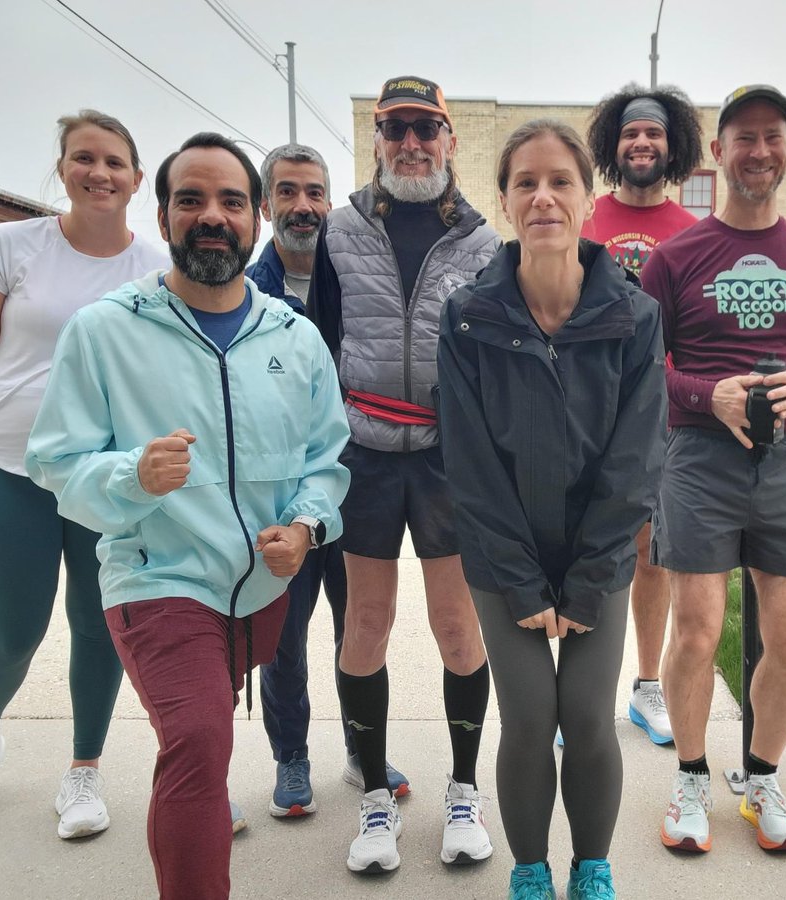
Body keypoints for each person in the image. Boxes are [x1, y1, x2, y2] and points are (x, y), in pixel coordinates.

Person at [25, 132, 350, 900]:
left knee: (204, 740)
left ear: (258, 216)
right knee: (200, 743)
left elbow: (326, 459)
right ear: (162, 213)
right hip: (155, 578)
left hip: (258, 596)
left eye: (231, 201)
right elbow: (55, 461)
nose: (212, 216)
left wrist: (304, 528)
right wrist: (131, 474)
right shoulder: (106, 330)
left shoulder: (295, 338)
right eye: (191, 200)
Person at [439, 118, 667, 900]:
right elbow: (469, 466)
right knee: (532, 715)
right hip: (505, 561)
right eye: (525, 183)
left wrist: (587, 578)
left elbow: (636, 464)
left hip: (597, 557)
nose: (543, 197)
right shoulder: (468, 317)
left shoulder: (633, 317)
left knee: (590, 716)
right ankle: (532, 871)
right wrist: (525, 583)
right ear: (503, 200)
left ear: (588, 196)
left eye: (559, 181)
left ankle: (591, 868)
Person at [0, 110, 167, 838]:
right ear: (63, 167)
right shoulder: (10, 247)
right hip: (8, 471)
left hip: (103, 480)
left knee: (100, 629)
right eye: (83, 158)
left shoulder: (155, 270)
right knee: (11, 634)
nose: (98, 173)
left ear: (136, 178)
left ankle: (84, 773)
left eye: (113, 162)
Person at [641, 84, 786, 854]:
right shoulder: (675, 257)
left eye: (772, 137)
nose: (758, 152)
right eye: (743, 138)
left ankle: (761, 778)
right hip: (698, 458)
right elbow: (639, 367)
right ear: (719, 152)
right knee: (696, 632)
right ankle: (691, 779)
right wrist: (707, 392)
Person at [307, 75, 499, 874]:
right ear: (377, 137)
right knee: (366, 627)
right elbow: (318, 342)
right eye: (396, 129)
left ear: (450, 140)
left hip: (450, 459)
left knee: (459, 629)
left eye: (427, 130)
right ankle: (376, 799)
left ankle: (463, 790)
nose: (412, 144)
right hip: (366, 451)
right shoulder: (340, 229)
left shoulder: (484, 242)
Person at [246, 143, 408, 817]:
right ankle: (291, 758)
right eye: (287, 193)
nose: (303, 207)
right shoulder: (247, 290)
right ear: (266, 206)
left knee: (361, 626)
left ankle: (360, 750)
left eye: (315, 193)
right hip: (282, 496)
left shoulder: (355, 277)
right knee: (284, 637)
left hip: (357, 485)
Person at [580, 83, 704, 746]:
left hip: (662, 419)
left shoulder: (692, 233)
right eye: (631, 133)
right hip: (587, 417)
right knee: (588, 553)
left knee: (652, 557)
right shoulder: (585, 220)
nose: (642, 142)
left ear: (673, 145)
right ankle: (584, 696)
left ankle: (647, 687)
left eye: (654, 133)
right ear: (614, 145)